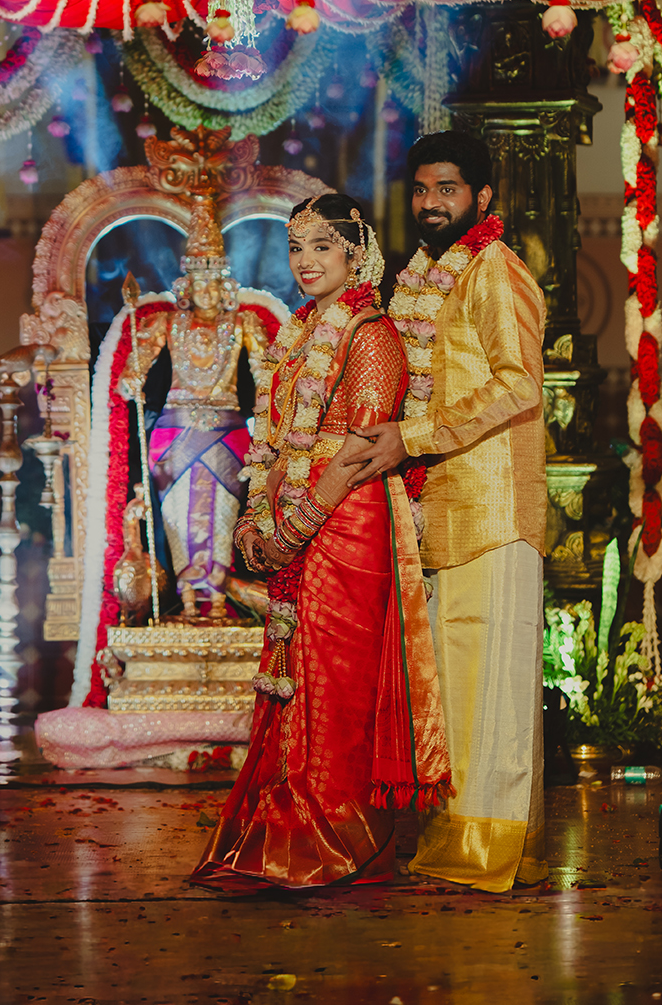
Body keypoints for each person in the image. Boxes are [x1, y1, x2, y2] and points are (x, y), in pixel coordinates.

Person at [191, 193, 450, 892]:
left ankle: (336, 833)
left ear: (355, 251)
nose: (306, 262)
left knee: (333, 681)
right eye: (296, 248)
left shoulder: (371, 334)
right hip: (295, 520)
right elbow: (272, 444)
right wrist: (254, 521)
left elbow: (362, 449)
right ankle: (284, 824)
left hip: (350, 524)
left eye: (321, 247)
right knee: (295, 679)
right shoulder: (298, 334)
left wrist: (294, 529)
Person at [349, 130, 548, 893]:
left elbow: (517, 386)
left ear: (483, 199)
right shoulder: (421, 278)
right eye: (422, 190)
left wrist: (415, 436)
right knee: (454, 685)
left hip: (495, 505)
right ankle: (463, 836)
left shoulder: (496, 272)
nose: (431, 204)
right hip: (439, 506)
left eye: (449, 190)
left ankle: (485, 846)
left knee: (491, 681)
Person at [119, 190, 273, 624]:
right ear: (186, 283)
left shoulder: (245, 323)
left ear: (224, 281)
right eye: (198, 279)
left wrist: (267, 409)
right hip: (174, 432)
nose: (205, 288)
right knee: (179, 520)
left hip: (228, 431)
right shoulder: (164, 323)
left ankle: (220, 603)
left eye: (213, 278)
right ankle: (189, 604)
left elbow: (266, 377)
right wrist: (132, 380)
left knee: (221, 516)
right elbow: (133, 373)